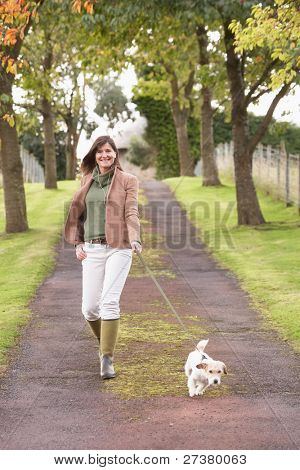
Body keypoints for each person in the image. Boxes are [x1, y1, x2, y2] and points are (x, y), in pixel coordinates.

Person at [64, 135, 142, 379]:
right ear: (94, 155)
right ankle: (104, 342)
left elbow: (131, 211)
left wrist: (135, 237)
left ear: (115, 154)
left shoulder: (128, 180)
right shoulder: (86, 180)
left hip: (119, 247)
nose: (104, 155)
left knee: (109, 301)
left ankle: (106, 358)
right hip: (93, 249)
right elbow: (77, 213)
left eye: (108, 151)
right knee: (89, 308)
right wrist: (78, 243)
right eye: (99, 152)